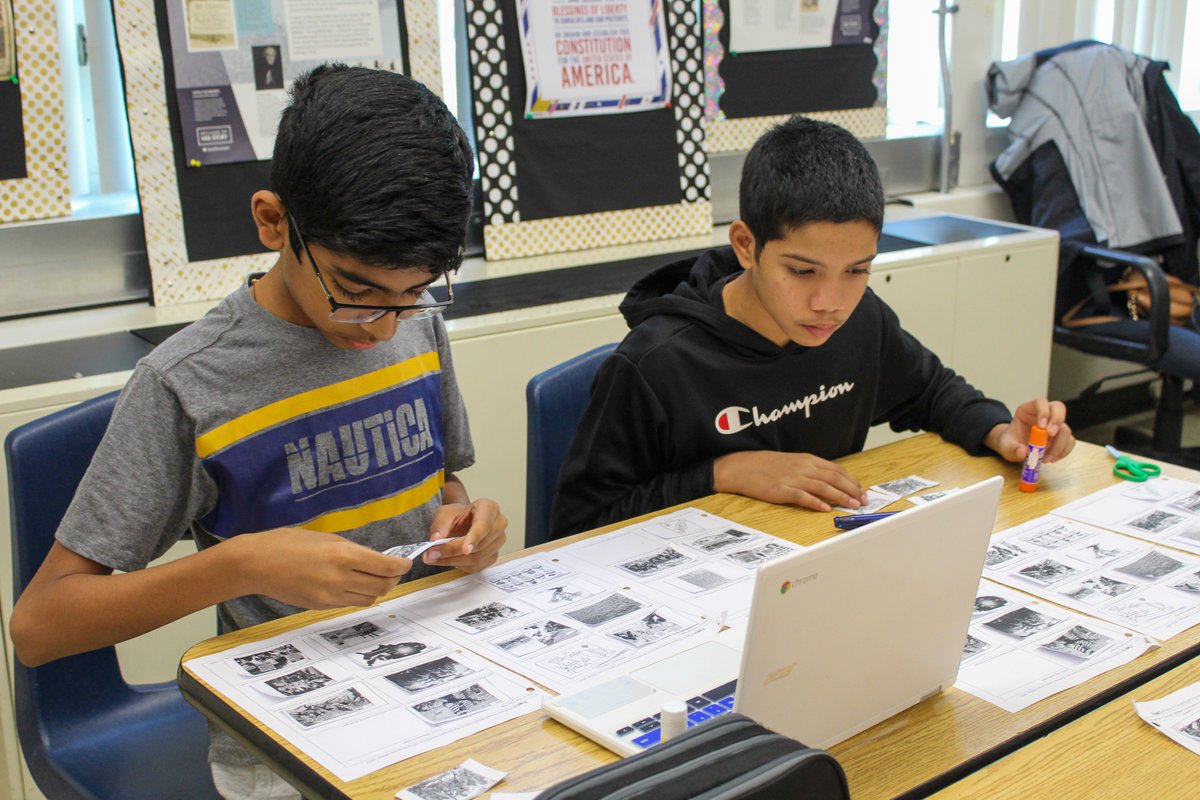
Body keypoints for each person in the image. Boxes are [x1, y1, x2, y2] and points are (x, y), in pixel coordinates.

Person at [9, 65, 506, 800]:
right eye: (355, 294)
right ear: (274, 222)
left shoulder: (416, 321)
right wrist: (236, 567)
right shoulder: (191, 382)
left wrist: (465, 520)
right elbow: (40, 626)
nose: (381, 329)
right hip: (290, 734)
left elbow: (439, 483)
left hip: (437, 676)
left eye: (412, 294)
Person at [550, 115, 1075, 538]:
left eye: (857, 271)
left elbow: (932, 390)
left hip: (809, 561)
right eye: (802, 272)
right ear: (745, 245)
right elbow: (582, 523)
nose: (830, 303)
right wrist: (721, 474)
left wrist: (999, 430)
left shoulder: (861, 320)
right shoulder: (656, 363)